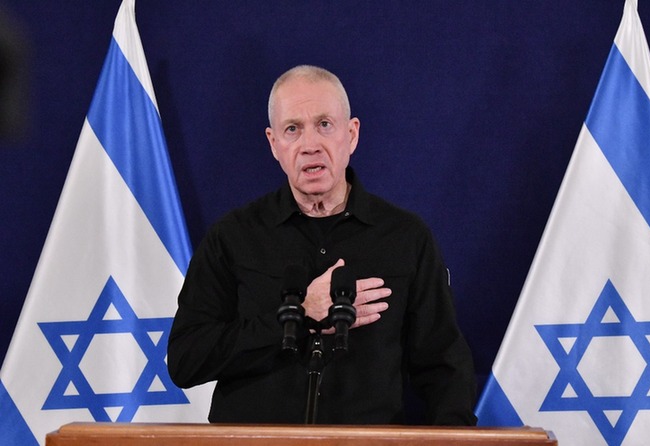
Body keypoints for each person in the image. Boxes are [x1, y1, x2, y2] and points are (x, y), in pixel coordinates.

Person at [167, 65, 477, 425]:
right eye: (292, 129)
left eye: (324, 124)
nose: (310, 145)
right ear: (274, 144)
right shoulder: (232, 237)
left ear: (352, 134)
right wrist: (299, 315)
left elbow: (444, 368)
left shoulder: (406, 237)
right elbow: (187, 360)